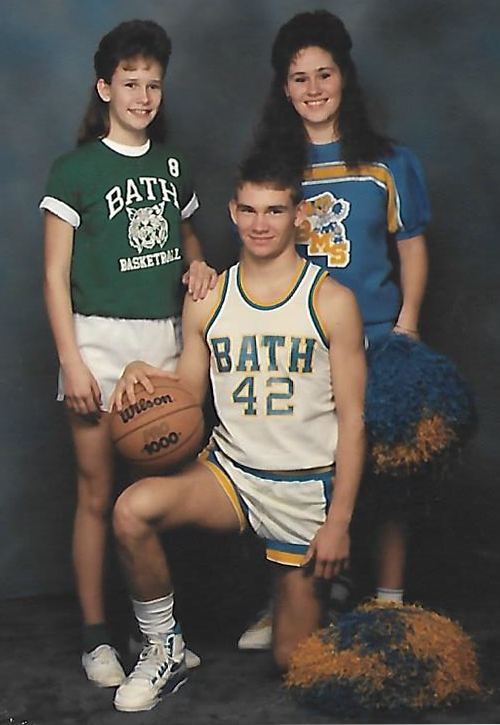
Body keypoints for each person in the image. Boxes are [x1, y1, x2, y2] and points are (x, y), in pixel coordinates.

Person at [107, 152, 366, 712]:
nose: (260, 224)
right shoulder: (210, 299)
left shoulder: (333, 302)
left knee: (293, 663)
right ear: (231, 212)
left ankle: (313, 591)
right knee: (131, 510)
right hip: (233, 475)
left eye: (275, 210)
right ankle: (164, 645)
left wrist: (340, 522)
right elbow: (187, 399)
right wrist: (140, 374)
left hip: (303, 490)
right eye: (248, 210)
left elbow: (354, 421)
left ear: (299, 215)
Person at [238, 9, 430, 649]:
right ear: (283, 88)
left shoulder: (387, 161)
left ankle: (390, 601)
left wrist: (406, 327)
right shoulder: (277, 166)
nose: (314, 88)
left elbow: (412, 248)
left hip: (376, 338)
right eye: (299, 78)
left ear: (345, 76)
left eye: (325, 73)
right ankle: (294, 595)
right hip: (298, 350)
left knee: (390, 469)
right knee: (290, 472)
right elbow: (255, 244)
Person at [40, 19, 217, 688]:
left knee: (157, 494)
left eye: (153, 84)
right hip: (97, 341)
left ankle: (161, 635)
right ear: (104, 86)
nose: (143, 96)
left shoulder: (172, 165)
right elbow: (54, 274)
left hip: (164, 342)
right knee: (95, 495)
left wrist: (198, 268)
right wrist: (74, 360)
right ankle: (95, 638)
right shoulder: (76, 168)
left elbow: (188, 242)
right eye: (131, 83)